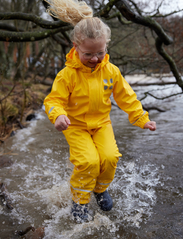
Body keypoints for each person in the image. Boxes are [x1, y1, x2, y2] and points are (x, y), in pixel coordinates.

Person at [44, 0, 156, 223]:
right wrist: (58, 115)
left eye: (100, 53)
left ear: (106, 47)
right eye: (88, 54)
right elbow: (54, 99)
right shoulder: (67, 75)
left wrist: (141, 118)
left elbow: (127, 97)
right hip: (75, 125)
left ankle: (100, 188)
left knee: (110, 157)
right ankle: (80, 200)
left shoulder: (111, 71)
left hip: (102, 123)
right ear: (75, 46)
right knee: (89, 161)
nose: (95, 59)